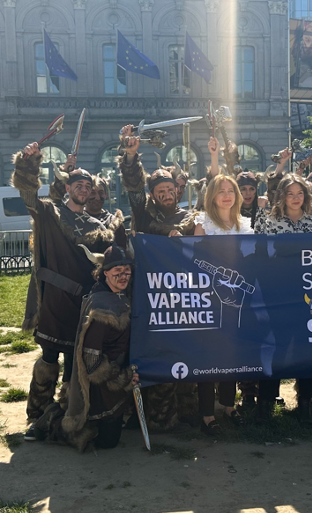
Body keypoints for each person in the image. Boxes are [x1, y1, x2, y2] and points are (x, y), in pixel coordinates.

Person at [13, 141, 114, 439]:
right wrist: (30, 162)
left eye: (87, 186)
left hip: (83, 304)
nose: (83, 189)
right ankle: (37, 415)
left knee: (74, 364)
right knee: (48, 358)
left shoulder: (98, 225)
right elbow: (28, 192)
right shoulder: (49, 214)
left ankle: (67, 415)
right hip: (55, 301)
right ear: (67, 188)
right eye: (78, 185)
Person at [117, 126, 199, 433]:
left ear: (177, 191)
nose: (166, 194)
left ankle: (187, 415)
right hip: (150, 298)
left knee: (184, 354)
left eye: (170, 190)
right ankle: (149, 416)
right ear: (154, 195)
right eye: (160, 191)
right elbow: (134, 187)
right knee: (151, 356)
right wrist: (130, 156)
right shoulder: (143, 216)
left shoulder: (190, 218)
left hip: (184, 300)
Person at [33, 242, 138, 452]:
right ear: (105, 273)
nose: (123, 276)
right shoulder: (102, 309)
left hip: (116, 379)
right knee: (105, 443)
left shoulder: (117, 296)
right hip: (102, 385)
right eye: (117, 271)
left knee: (111, 438)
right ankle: (53, 421)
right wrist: (125, 377)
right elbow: (92, 363)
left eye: (126, 271)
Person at [253, 174, 312, 421]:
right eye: (290, 193)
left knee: (307, 344)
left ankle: (306, 400)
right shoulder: (268, 222)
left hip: (308, 291)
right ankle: (266, 400)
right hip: (278, 291)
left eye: (300, 193)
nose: (295, 198)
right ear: (282, 196)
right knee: (279, 344)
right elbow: (259, 254)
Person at [192, 173, 252, 434]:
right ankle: (206, 413)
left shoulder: (245, 225)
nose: (227, 195)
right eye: (220, 191)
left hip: (237, 298)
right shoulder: (202, 224)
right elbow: (192, 260)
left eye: (231, 190)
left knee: (232, 352)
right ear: (212, 196)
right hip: (210, 298)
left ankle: (229, 405)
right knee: (207, 356)